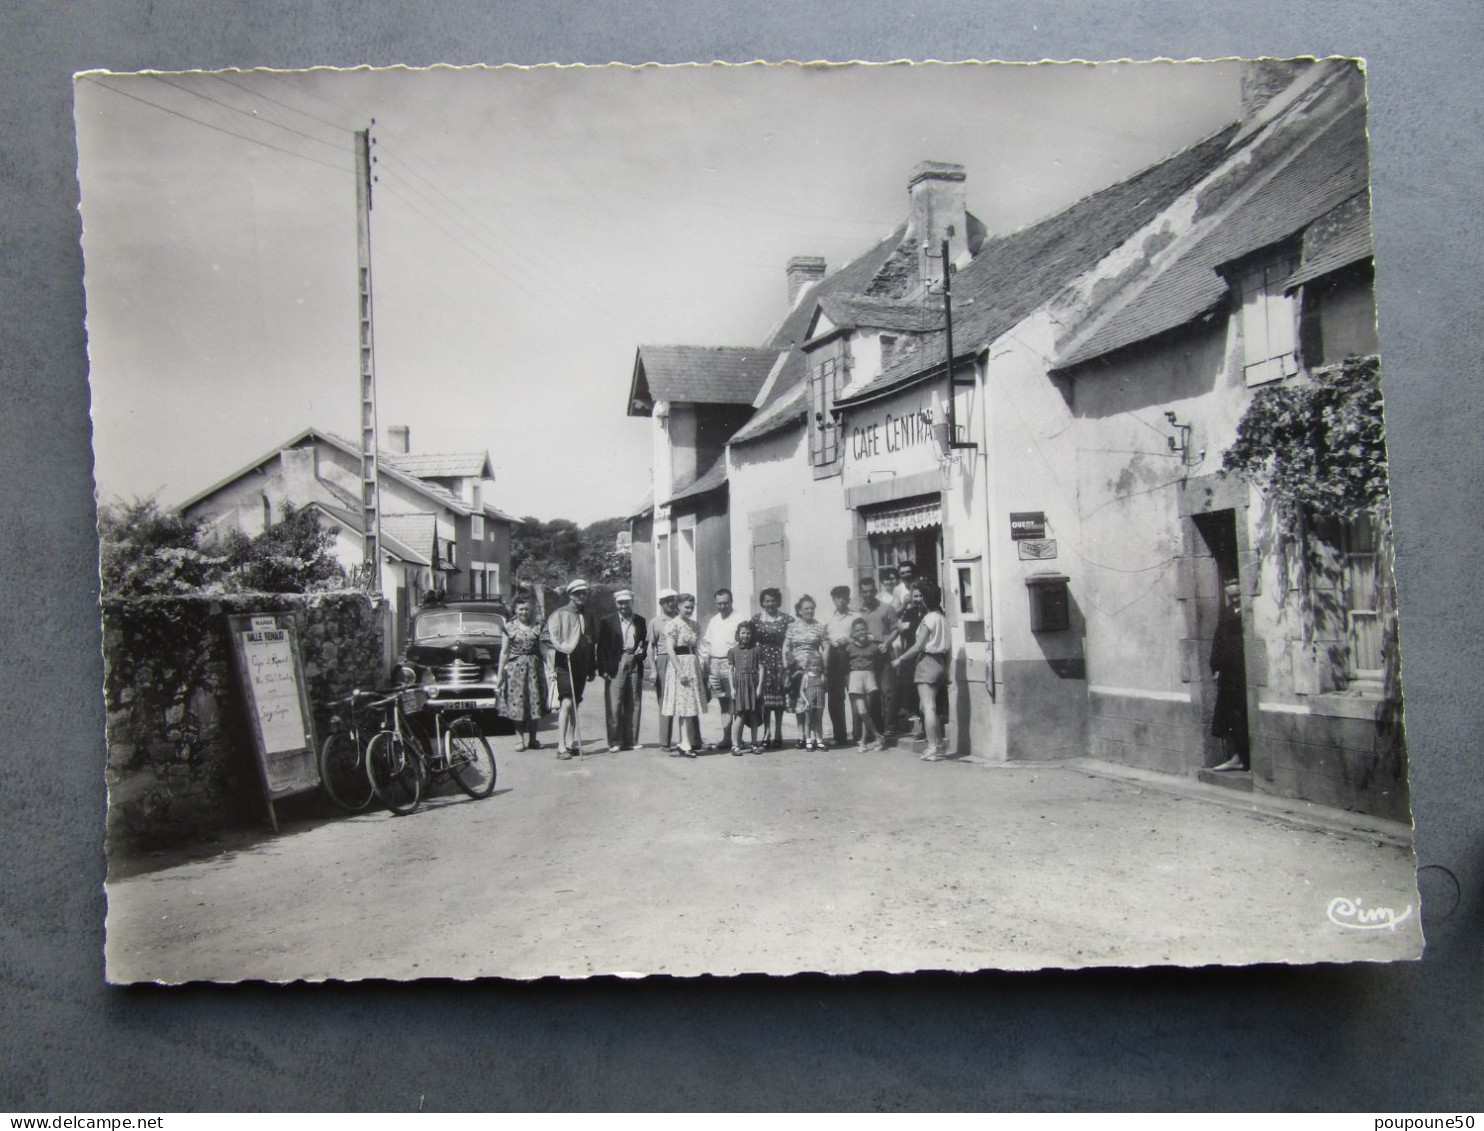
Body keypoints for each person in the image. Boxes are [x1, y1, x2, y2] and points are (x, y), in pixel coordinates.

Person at [892, 579, 952, 761]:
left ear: (926, 599)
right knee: (926, 707)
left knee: (928, 707)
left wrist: (900, 659)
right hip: (940, 663)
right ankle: (939, 743)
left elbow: (918, 646)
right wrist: (947, 670)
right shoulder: (943, 619)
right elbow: (949, 650)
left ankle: (933, 747)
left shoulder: (928, 619)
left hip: (927, 662)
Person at [540, 578, 597, 760]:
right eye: (577, 593)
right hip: (564, 664)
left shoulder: (588, 615)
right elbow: (545, 636)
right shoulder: (559, 614)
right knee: (567, 702)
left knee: (575, 704)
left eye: (584, 593)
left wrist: (591, 667)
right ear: (570, 595)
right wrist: (563, 646)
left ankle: (571, 742)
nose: (581, 596)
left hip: (581, 665)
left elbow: (591, 641)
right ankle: (561, 746)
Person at [493, 592, 548, 751]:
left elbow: (543, 649)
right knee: (517, 704)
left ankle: (533, 739)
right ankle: (519, 739)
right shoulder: (509, 627)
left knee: (534, 702)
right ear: (515, 610)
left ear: (531, 609)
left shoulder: (537, 626)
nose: (524, 612)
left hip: (534, 668)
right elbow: (504, 652)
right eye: (521, 609)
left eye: (526, 609)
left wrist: (550, 668)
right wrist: (500, 675)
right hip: (515, 670)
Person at [596, 588, 647, 752]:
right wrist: (603, 668)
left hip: (634, 661)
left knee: (634, 701)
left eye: (626, 602)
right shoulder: (607, 621)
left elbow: (643, 642)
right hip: (615, 663)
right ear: (616, 604)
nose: (623, 606)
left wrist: (642, 651)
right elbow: (601, 647)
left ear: (632, 603)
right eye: (620, 603)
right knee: (614, 703)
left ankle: (631, 740)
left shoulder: (640, 621)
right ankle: (615, 741)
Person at [1210, 576, 1250, 772]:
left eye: (1238, 595)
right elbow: (1218, 640)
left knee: (1242, 715)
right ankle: (1236, 757)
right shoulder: (1226, 614)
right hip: (1228, 674)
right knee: (1228, 717)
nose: (1235, 599)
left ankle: (1244, 758)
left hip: (1243, 674)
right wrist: (1215, 667)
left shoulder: (1248, 613)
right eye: (1231, 596)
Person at [661, 593, 707, 757]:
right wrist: (680, 672)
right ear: (679, 606)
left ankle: (685, 742)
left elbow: (698, 647)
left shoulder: (695, 625)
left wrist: (701, 666)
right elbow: (670, 649)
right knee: (683, 704)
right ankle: (685, 743)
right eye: (686, 607)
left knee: (689, 704)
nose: (689, 610)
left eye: (692, 607)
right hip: (679, 665)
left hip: (692, 664)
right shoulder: (673, 625)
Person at [783, 594, 830, 749]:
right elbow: (786, 647)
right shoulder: (792, 626)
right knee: (799, 702)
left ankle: (814, 736)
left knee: (813, 703)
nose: (810, 611)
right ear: (800, 611)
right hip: (796, 670)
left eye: (812, 608)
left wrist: (823, 666)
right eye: (806, 608)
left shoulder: (820, 627)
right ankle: (801, 735)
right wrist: (788, 664)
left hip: (814, 670)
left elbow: (826, 647)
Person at [700, 587, 743, 751]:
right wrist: (706, 667)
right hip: (715, 665)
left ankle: (736, 739)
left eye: (725, 603)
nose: (723, 606)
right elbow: (708, 645)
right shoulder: (714, 620)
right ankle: (726, 738)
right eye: (719, 603)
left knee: (736, 701)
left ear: (731, 601)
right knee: (723, 702)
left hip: (731, 664)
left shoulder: (739, 619)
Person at [856, 575, 898, 740]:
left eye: (870, 591)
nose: (867, 595)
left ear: (875, 591)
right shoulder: (859, 612)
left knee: (888, 691)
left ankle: (890, 727)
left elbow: (896, 629)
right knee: (872, 693)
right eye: (864, 592)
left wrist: (887, 642)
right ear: (861, 593)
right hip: (867, 655)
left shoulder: (887, 608)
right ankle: (877, 728)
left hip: (884, 652)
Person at [751, 587, 793, 750]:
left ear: (778, 601)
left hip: (779, 661)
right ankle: (766, 732)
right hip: (763, 662)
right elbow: (750, 640)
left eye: (773, 600)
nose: (770, 604)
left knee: (779, 699)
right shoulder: (756, 619)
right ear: (762, 602)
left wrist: (788, 664)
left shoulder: (787, 619)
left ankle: (778, 732)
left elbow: (791, 643)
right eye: (767, 600)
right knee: (765, 700)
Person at [843, 616, 884, 752]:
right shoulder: (849, 648)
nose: (860, 632)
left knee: (867, 711)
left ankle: (863, 742)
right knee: (862, 711)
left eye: (862, 629)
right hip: (855, 676)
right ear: (853, 633)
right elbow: (844, 666)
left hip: (869, 676)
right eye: (857, 630)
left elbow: (879, 665)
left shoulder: (874, 647)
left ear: (867, 630)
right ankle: (878, 736)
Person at [648, 588, 680, 750]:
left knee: (686, 697)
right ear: (661, 603)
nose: (670, 603)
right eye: (666, 601)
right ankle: (665, 742)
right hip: (663, 660)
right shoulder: (655, 622)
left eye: (672, 600)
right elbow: (650, 647)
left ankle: (691, 740)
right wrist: (653, 670)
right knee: (665, 700)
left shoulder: (682, 618)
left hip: (681, 659)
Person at [824, 584, 855, 746]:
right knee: (835, 698)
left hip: (851, 657)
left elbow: (865, 636)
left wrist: (849, 640)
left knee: (855, 694)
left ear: (849, 598)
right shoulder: (828, 620)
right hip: (834, 659)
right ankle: (839, 735)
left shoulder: (855, 617)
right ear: (833, 600)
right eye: (838, 597)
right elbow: (824, 641)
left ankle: (859, 734)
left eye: (844, 597)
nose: (841, 600)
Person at [727, 620, 764, 754]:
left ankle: (754, 743)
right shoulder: (733, 651)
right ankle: (735, 745)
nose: (746, 636)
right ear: (738, 634)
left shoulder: (757, 650)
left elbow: (761, 669)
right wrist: (732, 688)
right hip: (740, 685)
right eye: (743, 633)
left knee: (754, 715)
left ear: (752, 634)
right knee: (739, 715)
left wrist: (759, 687)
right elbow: (730, 670)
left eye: (748, 633)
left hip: (753, 685)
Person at [794, 651, 827, 750]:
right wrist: (806, 701)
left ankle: (819, 740)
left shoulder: (822, 676)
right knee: (808, 721)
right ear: (809, 665)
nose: (815, 667)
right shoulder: (806, 676)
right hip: (809, 702)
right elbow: (801, 690)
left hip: (820, 701)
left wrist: (820, 695)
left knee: (818, 721)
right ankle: (808, 740)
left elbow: (825, 688)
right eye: (813, 665)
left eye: (817, 665)